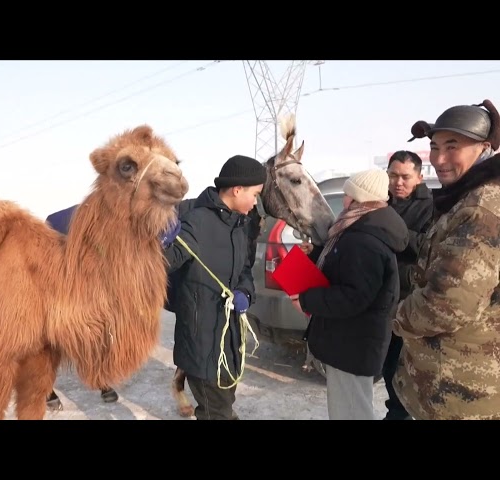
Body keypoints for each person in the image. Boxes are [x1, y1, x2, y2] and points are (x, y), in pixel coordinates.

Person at [393, 99, 500, 420]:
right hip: (448, 385)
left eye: (453, 146)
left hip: (462, 393)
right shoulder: (467, 198)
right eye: (435, 147)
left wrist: (396, 317)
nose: (439, 159)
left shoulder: (481, 207)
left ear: (485, 148)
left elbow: (447, 306)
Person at [290, 169, 409, 420]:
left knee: (351, 412)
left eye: (347, 194)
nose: (343, 200)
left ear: (358, 198)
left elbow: (352, 297)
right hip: (353, 342)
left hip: (352, 346)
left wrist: (306, 300)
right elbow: (346, 270)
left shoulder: (364, 239)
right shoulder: (364, 229)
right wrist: (315, 254)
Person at [161, 154, 266, 420]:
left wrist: (245, 292)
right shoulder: (197, 222)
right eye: (254, 194)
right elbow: (160, 266)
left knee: (224, 402)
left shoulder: (239, 226)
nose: (256, 202)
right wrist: (160, 245)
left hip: (229, 338)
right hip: (202, 341)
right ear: (237, 189)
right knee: (215, 410)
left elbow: (244, 270)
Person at [43, 204, 119, 411]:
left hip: (93, 288)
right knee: (52, 340)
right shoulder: (64, 222)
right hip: (62, 288)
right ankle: (46, 388)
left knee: (97, 336)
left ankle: (101, 380)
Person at [381, 151, 434, 420]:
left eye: (405, 177)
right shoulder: (379, 201)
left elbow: (426, 246)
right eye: (393, 175)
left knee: (402, 373)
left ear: (419, 177)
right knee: (385, 370)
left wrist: (390, 227)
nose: (398, 182)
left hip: (408, 302)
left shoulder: (431, 206)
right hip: (378, 300)